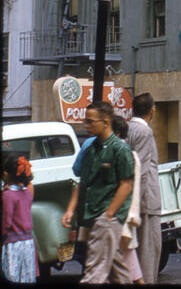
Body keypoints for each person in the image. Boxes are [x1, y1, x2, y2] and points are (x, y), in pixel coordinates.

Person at [62, 101, 134, 284]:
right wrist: (70, 210)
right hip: (93, 214)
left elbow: (126, 185)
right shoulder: (90, 149)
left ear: (105, 122)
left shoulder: (120, 149)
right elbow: (83, 183)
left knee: (94, 271)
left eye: (90, 122)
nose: (86, 126)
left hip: (106, 216)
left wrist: (109, 214)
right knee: (118, 271)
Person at [126, 92, 162, 284]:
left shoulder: (127, 129)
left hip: (135, 199)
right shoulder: (145, 132)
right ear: (152, 110)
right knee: (148, 252)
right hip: (146, 200)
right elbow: (141, 170)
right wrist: (134, 205)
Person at [113, 115, 145, 285]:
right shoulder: (122, 152)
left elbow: (130, 187)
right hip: (120, 216)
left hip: (120, 215)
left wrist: (128, 215)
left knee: (128, 264)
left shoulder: (125, 154)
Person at [2, 155, 37, 282]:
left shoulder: (8, 195)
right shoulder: (27, 192)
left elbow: (7, 220)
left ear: (5, 174)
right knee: (26, 276)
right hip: (28, 241)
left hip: (13, 242)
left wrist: (3, 234)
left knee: (12, 276)